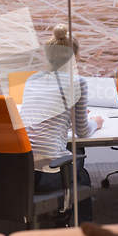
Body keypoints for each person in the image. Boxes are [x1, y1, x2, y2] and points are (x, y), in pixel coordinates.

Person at [20, 24, 104, 225]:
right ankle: (81, 225)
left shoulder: (32, 79)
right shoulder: (77, 82)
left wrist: (66, 120)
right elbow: (82, 131)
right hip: (45, 175)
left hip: (19, 171)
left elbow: (39, 121)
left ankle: (65, 216)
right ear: (75, 56)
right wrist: (95, 122)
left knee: (74, 161)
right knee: (80, 167)